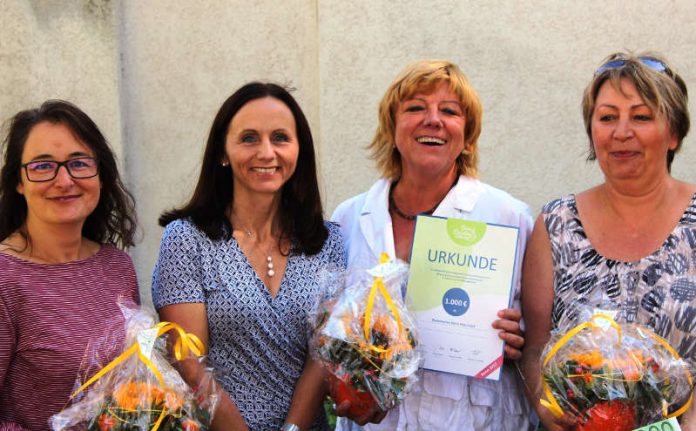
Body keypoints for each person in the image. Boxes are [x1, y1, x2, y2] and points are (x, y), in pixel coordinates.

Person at [331, 60, 534, 430]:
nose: (433, 120)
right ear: (391, 127)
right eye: (415, 107)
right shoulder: (348, 218)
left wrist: (519, 337)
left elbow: (538, 334)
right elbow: (332, 331)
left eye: (450, 111)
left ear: (467, 133)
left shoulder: (508, 217)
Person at [151, 82, 346, 431]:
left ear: (299, 150)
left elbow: (324, 355)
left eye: (281, 138)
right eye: (249, 138)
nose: (266, 152)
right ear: (223, 153)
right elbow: (189, 362)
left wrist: (292, 430)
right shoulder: (187, 238)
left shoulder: (327, 242)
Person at [521, 51, 696, 430]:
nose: (621, 132)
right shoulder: (556, 224)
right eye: (607, 117)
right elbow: (535, 347)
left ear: (675, 133)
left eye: (642, 116)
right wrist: (548, 408)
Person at [0, 100, 139, 430]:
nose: (64, 181)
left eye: (78, 163)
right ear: (19, 182)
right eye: (42, 166)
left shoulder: (117, 267)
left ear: (100, 175)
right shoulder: (5, 278)